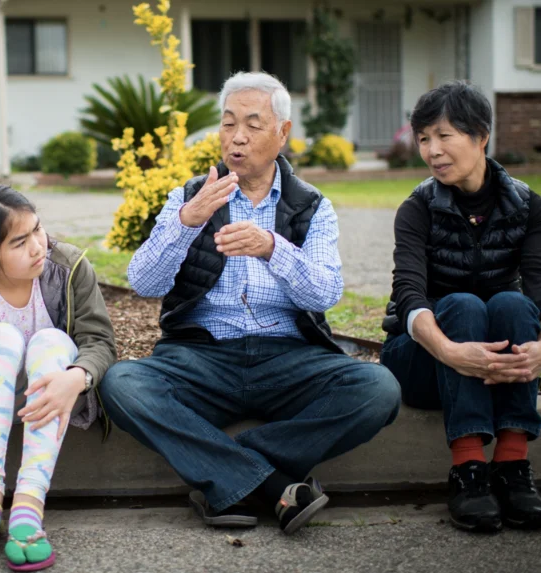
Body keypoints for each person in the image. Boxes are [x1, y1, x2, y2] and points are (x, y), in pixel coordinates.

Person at [98, 72, 401, 535]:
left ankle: (230, 477)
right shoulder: (189, 196)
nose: (236, 137)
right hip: (201, 357)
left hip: (289, 359)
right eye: (227, 124)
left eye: (253, 125)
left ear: (282, 133)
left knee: (378, 389)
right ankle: (276, 484)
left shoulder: (312, 206)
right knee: (123, 383)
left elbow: (325, 293)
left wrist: (272, 248)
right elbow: (143, 282)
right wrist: (185, 221)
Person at [380, 81, 541, 532]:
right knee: (460, 304)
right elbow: (409, 293)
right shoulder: (416, 209)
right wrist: (449, 351)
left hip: (494, 361)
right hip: (421, 358)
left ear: (481, 136)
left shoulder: (529, 207)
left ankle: (513, 464)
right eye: (423, 138)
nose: (432, 150)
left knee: (514, 304)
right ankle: (469, 470)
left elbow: (539, 277)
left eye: (444, 135)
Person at [0, 186, 116, 570]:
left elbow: (100, 342)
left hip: (60, 392)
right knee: (0, 336)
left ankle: (29, 505)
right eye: (19, 242)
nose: (37, 247)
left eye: (37, 229)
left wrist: (77, 377)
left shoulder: (69, 267)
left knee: (50, 340)